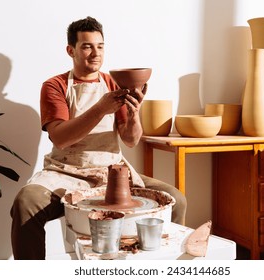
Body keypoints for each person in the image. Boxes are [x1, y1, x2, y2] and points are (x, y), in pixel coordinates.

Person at [10, 16, 187, 260]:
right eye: (87, 46)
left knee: (176, 199)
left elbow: (130, 140)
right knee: (25, 203)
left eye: (100, 46)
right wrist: (101, 109)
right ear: (70, 50)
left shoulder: (113, 83)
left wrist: (134, 113)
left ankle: (161, 266)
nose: (96, 53)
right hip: (67, 170)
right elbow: (60, 138)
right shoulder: (55, 85)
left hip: (111, 170)